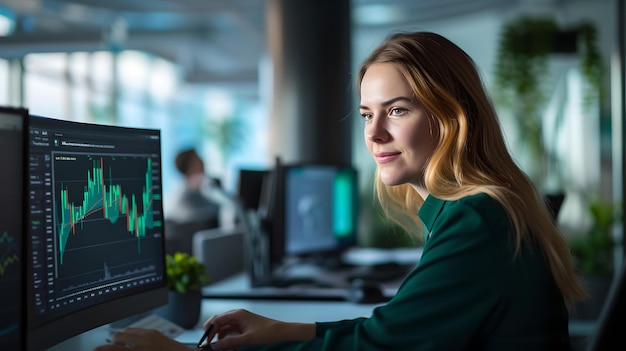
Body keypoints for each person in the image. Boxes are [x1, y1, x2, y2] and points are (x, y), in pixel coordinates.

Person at [94, 31, 587, 351]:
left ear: (451, 116)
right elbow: (392, 333)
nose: (373, 136)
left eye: (397, 110)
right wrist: (285, 330)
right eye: (369, 114)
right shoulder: (482, 208)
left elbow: (380, 348)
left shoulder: (479, 219)